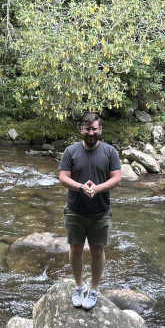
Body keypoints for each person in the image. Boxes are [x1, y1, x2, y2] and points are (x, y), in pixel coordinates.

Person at [58, 112, 122, 310]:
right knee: (75, 248)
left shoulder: (110, 152)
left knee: (97, 250)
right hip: (75, 210)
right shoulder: (71, 151)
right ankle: (79, 286)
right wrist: (80, 187)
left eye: (94, 128)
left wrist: (96, 188)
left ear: (100, 130)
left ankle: (93, 289)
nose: (91, 132)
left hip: (100, 212)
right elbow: (62, 178)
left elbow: (116, 178)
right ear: (82, 130)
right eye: (87, 129)